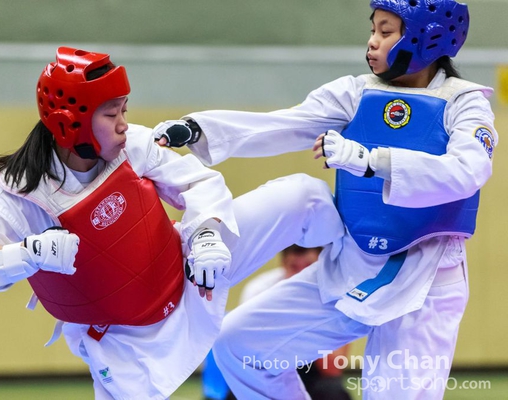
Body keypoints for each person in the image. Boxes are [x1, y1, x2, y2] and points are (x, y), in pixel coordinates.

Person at [0, 46, 344, 400]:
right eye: (112, 114)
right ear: (70, 122)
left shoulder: (134, 145)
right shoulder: (23, 198)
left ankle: (363, 266)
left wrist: (205, 234)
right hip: (126, 344)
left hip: (191, 270)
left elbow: (197, 182)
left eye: (124, 110)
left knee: (303, 196)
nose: (124, 124)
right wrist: (25, 254)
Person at [153, 0, 498, 398]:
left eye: (386, 32)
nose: (372, 42)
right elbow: (284, 124)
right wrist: (199, 129)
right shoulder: (356, 92)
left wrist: (370, 160)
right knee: (240, 346)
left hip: (427, 276)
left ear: (427, 38)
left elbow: (468, 171)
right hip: (352, 262)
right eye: (373, 30)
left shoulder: (465, 102)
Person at [202, 245, 352, 400]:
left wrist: (301, 315)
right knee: (238, 392)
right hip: (268, 364)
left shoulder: (336, 294)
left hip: (313, 370)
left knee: (333, 392)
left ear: (320, 267)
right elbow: (248, 351)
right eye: (294, 267)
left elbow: (332, 368)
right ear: (283, 264)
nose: (301, 275)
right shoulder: (260, 289)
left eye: (308, 267)